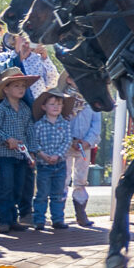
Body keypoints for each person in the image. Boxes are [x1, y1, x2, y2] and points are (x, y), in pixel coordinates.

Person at [0, 68, 40, 235]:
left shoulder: (24, 109)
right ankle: (2, 219)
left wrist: (32, 151)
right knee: (5, 185)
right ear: (6, 89)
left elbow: (30, 131)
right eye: (16, 85)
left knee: (18, 186)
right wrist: (7, 139)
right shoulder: (1, 109)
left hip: (22, 155)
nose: (21, 89)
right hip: (6, 155)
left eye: (23, 85)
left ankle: (13, 218)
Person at [26, 92, 75, 231]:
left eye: (59, 104)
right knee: (42, 193)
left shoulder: (65, 124)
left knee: (58, 194)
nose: (56, 107)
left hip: (60, 164)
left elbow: (67, 141)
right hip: (43, 165)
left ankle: (58, 219)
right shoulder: (39, 125)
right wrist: (42, 154)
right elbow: (34, 142)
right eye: (52, 104)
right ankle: (39, 220)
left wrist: (57, 155)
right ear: (43, 107)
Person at [62, 88, 101, 229]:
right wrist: (69, 140)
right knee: (63, 177)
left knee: (81, 178)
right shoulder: (63, 99)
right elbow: (59, 121)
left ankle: (81, 213)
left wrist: (87, 141)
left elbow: (96, 125)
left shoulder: (91, 101)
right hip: (65, 146)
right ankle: (58, 214)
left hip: (84, 148)